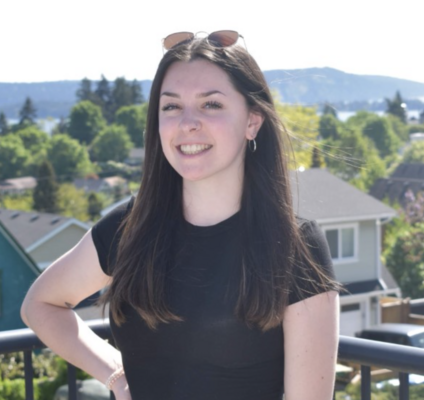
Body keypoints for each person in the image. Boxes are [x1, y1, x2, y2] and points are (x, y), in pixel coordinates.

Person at [21, 30, 340, 400]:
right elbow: (40, 305)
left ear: (253, 121)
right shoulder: (131, 228)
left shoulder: (295, 247)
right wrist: (116, 376)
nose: (187, 122)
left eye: (211, 105)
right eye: (171, 106)